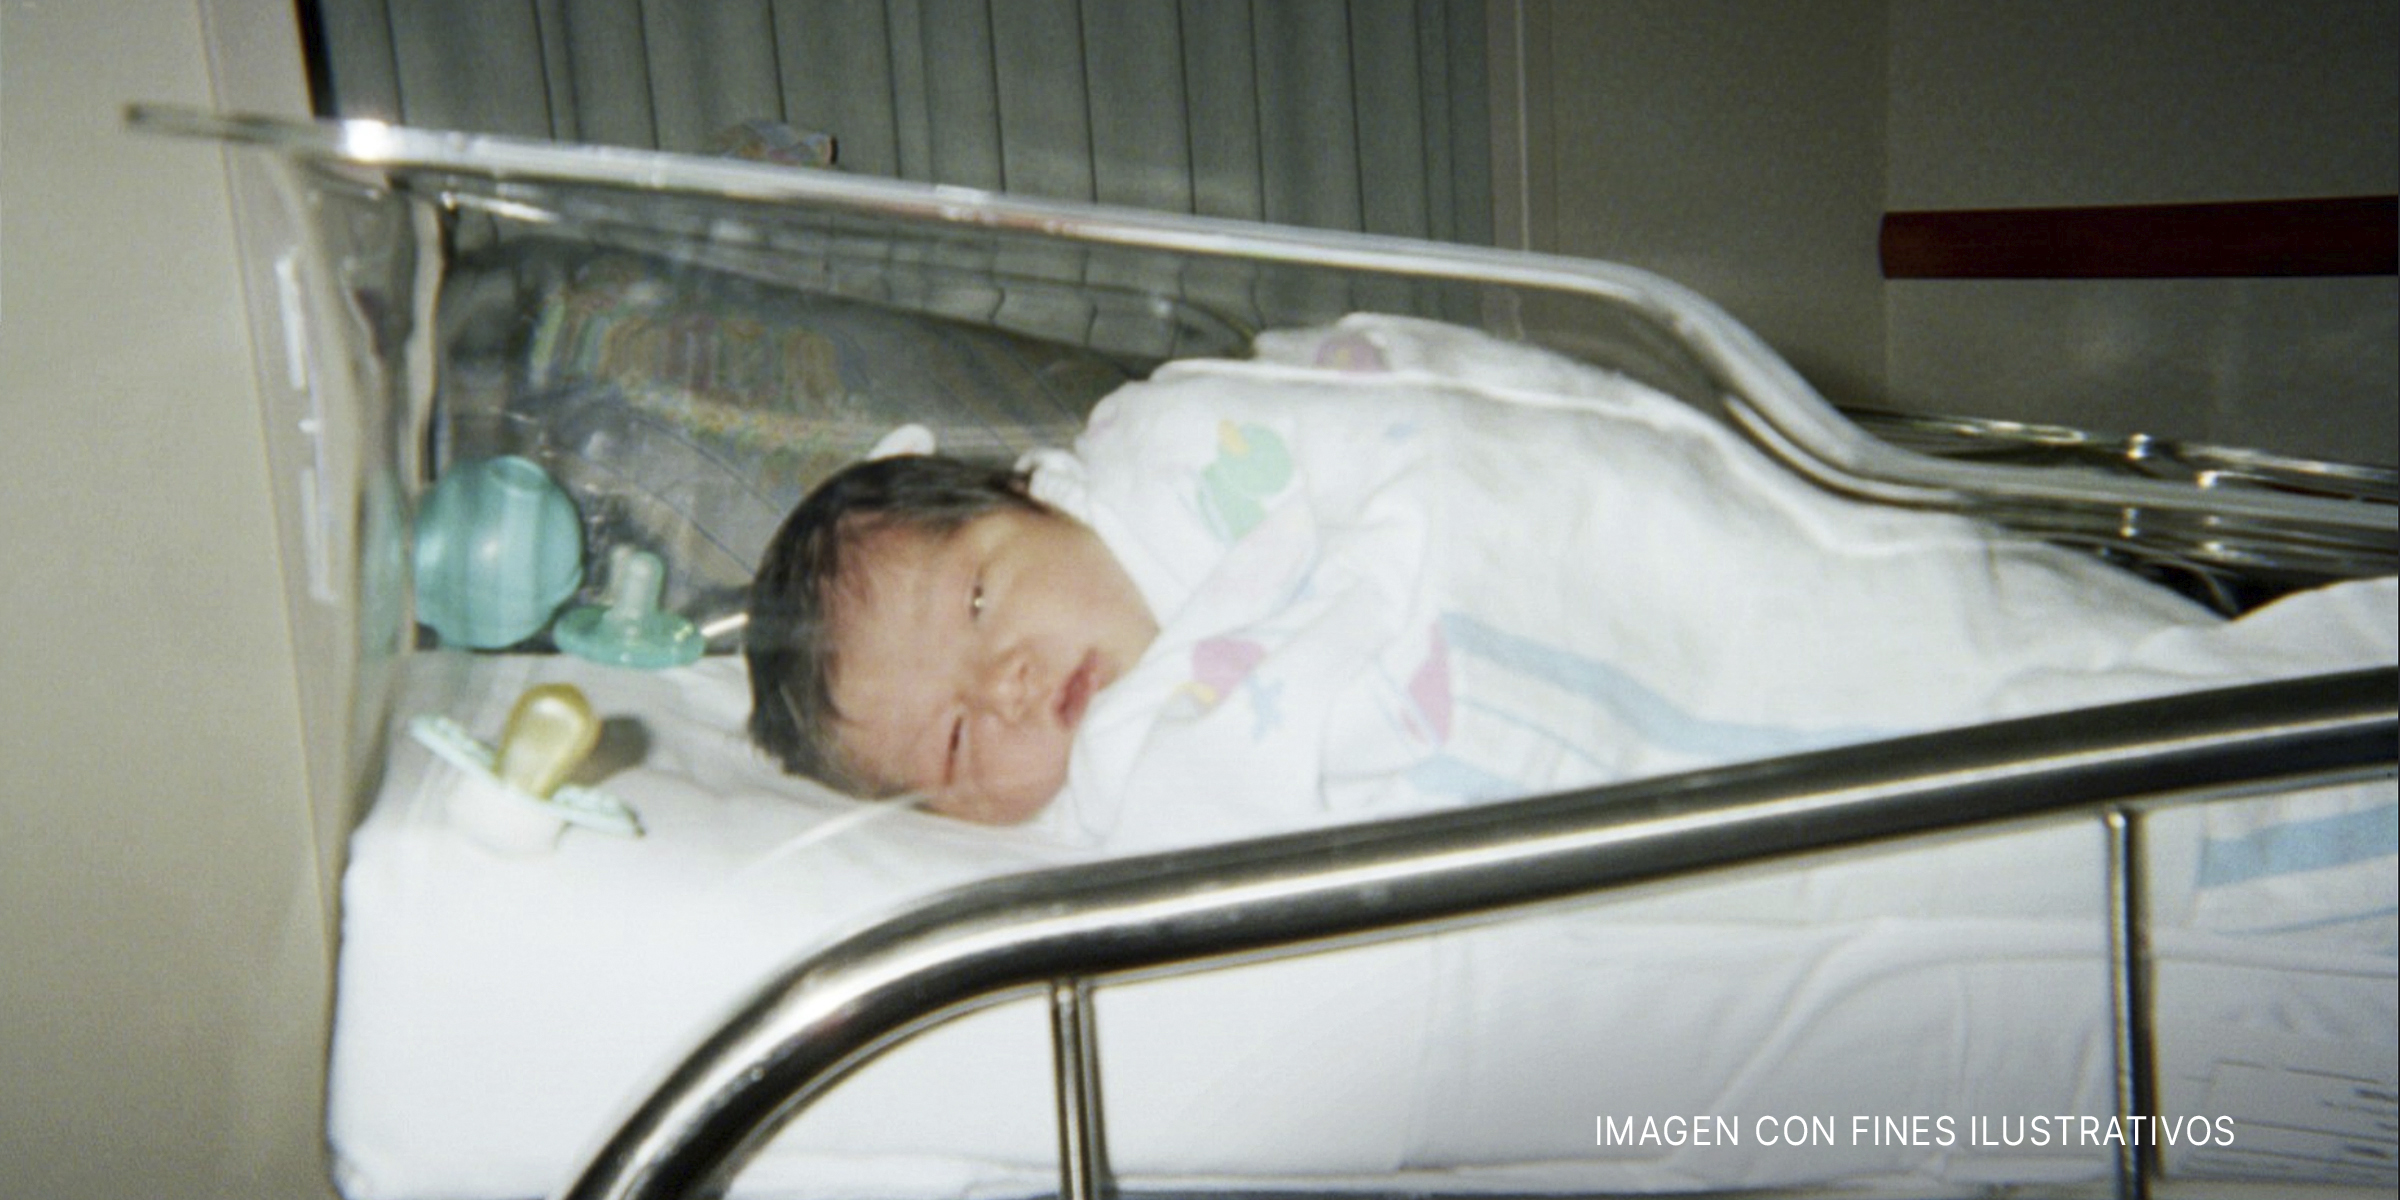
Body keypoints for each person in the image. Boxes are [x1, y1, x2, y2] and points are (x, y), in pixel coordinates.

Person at [745, 453, 1157, 825]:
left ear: (1031, 499)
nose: (1002, 688)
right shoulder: (1125, 843)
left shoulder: (1171, 464)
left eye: (977, 603)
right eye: (956, 739)